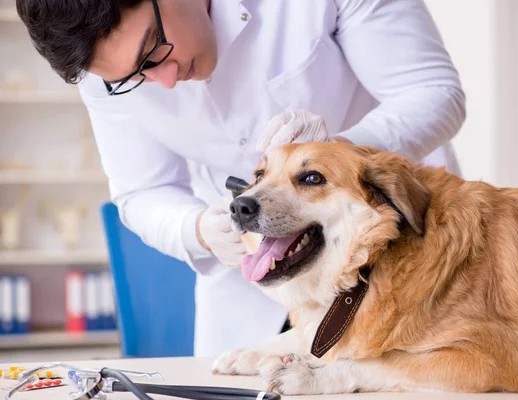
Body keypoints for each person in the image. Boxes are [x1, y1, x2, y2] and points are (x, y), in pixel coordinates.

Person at [17, 0, 466, 357]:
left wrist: (338, 155)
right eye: (137, 77)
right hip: (254, 281)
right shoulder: (105, 74)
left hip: (397, 253)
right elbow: (141, 191)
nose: (167, 80)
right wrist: (199, 231)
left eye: (154, 47)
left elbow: (432, 91)